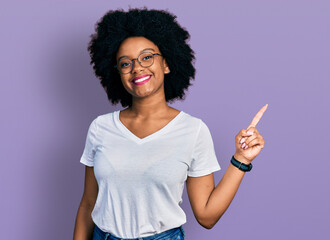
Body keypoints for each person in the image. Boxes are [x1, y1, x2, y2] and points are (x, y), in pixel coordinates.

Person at [73, 7, 268, 240]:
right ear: (117, 73)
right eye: (126, 63)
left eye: (147, 57)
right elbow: (88, 205)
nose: (137, 68)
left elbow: (207, 216)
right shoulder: (100, 128)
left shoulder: (193, 131)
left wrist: (241, 160)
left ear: (166, 63)